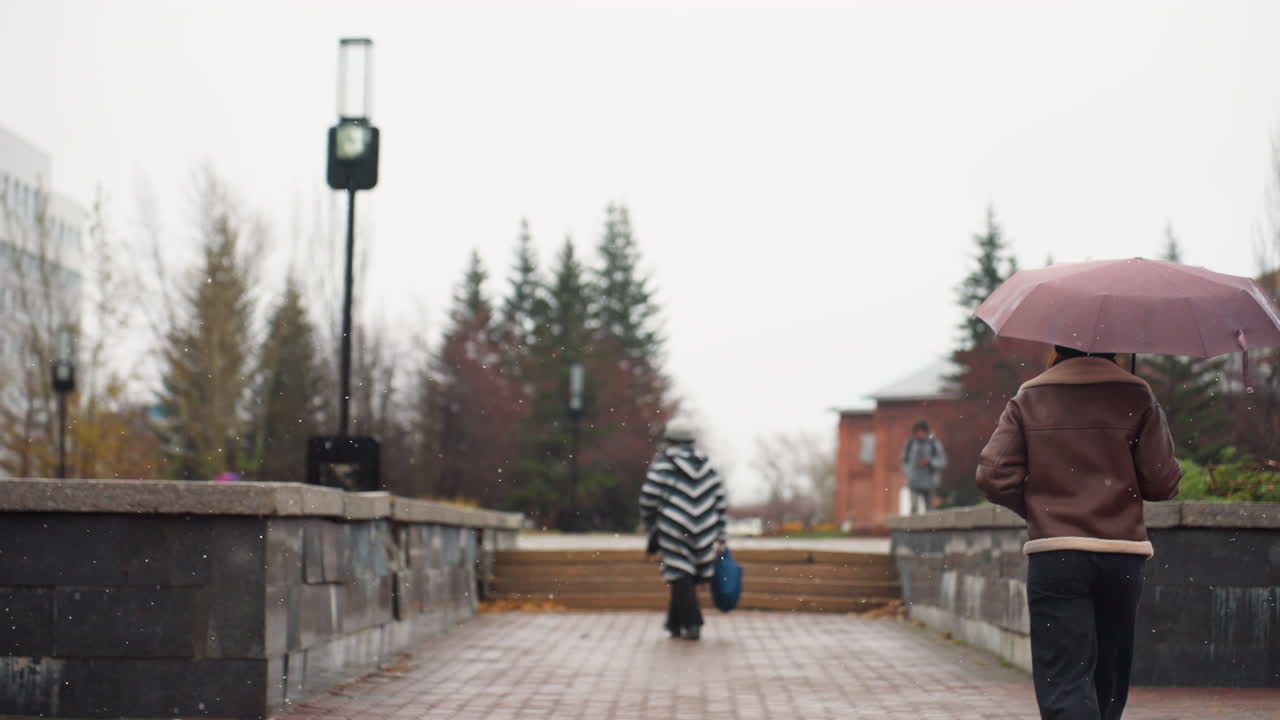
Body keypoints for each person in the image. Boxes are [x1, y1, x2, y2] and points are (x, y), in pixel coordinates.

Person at [976, 346, 1181, 720]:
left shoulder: (1031, 396)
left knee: (1064, 677)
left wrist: (1040, 509)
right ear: (1115, 349)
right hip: (1122, 555)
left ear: (1058, 347)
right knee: (1109, 677)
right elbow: (1162, 483)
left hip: (1057, 554)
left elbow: (993, 476)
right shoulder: (1137, 395)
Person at [639, 420, 728, 642]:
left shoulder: (663, 464)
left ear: (669, 440)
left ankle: (693, 622)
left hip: (673, 525)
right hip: (705, 526)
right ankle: (675, 622)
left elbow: (649, 498)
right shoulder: (707, 465)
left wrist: (650, 523)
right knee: (687, 573)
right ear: (691, 441)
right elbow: (719, 500)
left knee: (679, 572)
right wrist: (719, 530)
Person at [900, 420, 946, 514]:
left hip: (930, 482)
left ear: (926, 432)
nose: (919, 434)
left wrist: (930, 462)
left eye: (922, 432)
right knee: (914, 507)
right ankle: (913, 528)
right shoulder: (910, 444)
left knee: (930, 509)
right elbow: (904, 461)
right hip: (913, 482)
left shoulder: (934, 444)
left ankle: (931, 528)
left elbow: (942, 462)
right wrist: (908, 472)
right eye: (917, 432)